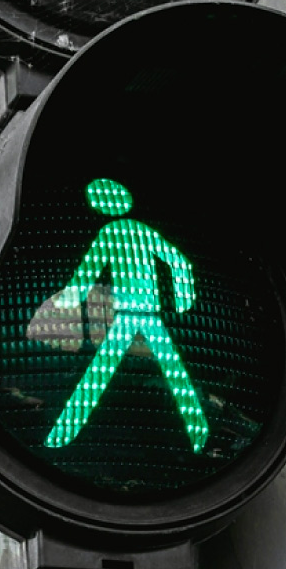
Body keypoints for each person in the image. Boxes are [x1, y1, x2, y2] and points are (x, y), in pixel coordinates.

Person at [45, 178, 210, 453]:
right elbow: (179, 261)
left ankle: (64, 431)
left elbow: (89, 270)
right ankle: (199, 432)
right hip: (148, 313)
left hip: (129, 315)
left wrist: (69, 300)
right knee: (174, 374)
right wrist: (182, 299)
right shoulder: (144, 231)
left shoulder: (111, 232)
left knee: (99, 372)